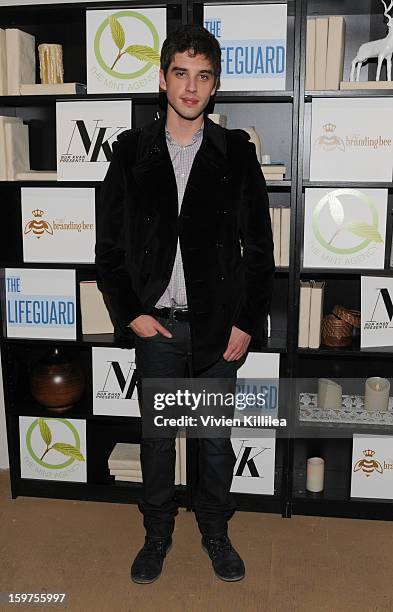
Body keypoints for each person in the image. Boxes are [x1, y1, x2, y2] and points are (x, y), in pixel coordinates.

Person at [95, 24, 274, 584]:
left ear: (214, 86)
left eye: (203, 76)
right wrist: (131, 312)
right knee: (156, 442)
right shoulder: (131, 151)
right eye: (181, 73)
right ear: (163, 78)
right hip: (159, 328)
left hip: (219, 331)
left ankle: (216, 533)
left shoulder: (235, 151)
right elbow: (109, 244)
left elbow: (260, 247)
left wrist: (246, 321)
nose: (191, 87)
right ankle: (156, 536)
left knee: (215, 442)